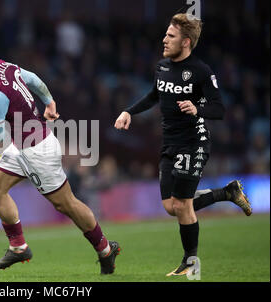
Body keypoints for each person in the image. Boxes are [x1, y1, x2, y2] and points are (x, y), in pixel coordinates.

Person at [0, 39, 120, 274]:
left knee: (67, 204)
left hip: (36, 150)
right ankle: (19, 247)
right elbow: (32, 79)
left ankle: (105, 250)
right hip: (20, 143)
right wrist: (49, 101)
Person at [114, 13, 252, 276]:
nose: (164, 39)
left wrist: (196, 107)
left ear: (186, 42)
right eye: (166, 34)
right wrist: (129, 111)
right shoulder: (162, 67)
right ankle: (228, 193)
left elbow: (219, 109)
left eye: (171, 36)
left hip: (194, 143)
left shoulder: (201, 71)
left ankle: (190, 265)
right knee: (171, 207)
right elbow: (155, 95)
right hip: (170, 144)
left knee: (182, 205)